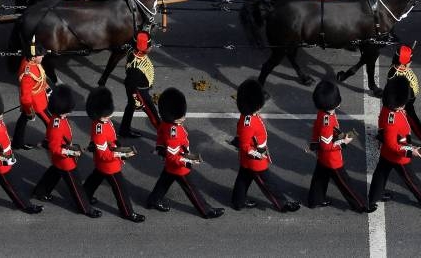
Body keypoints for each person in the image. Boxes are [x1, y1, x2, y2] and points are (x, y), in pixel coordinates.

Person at [146, 87, 224, 218]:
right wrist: (189, 160)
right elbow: (173, 156)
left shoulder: (166, 123)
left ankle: (152, 201)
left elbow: (160, 137)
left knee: (164, 182)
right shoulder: (174, 133)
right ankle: (205, 210)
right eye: (180, 116)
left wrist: (160, 148)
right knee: (191, 189)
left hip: (171, 166)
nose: (183, 117)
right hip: (178, 166)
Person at [231, 78, 301, 212]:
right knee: (268, 184)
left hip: (250, 158)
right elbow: (245, 145)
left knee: (243, 179)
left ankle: (238, 202)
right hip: (255, 160)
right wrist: (258, 155)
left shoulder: (249, 116)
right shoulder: (249, 122)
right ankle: (282, 204)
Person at [31, 84, 101, 217]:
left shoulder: (58, 118)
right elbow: (55, 147)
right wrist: (72, 152)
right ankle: (85, 207)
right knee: (76, 185)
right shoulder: (57, 124)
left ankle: (41, 192)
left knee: (54, 172)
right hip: (65, 160)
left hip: (61, 158)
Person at [83, 85, 145, 222]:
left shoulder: (103, 121)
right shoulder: (99, 129)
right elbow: (104, 155)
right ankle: (127, 212)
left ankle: (85, 195)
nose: (110, 115)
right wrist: (121, 154)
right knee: (120, 189)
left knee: (96, 177)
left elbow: (111, 139)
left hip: (104, 163)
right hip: (109, 165)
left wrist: (117, 146)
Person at [307, 80, 367, 212]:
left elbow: (324, 136)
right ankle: (360, 204)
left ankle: (315, 200)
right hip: (331, 158)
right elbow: (327, 145)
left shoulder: (323, 113)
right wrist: (343, 142)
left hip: (323, 156)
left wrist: (340, 136)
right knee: (345, 182)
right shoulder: (327, 121)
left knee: (320, 177)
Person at [368, 76, 421, 210]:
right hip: (397, 155)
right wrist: (410, 150)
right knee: (411, 180)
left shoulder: (388, 109)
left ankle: (374, 197)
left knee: (381, 174)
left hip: (387, 152)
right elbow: (393, 144)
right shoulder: (392, 119)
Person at [119, 31, 159, 138]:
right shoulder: (136, 67)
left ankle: (124, 130)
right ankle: (163, 134)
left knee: (130, 107)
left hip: (138, 86)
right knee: (152, 113)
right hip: (140, 91)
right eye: (149, 46)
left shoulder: (133, 51)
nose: (151, 48)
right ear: (143, 48)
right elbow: (130, 84)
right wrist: (138, 100)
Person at [13, 39, 50, 150]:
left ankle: (17, 143)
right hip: (35, 104)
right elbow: (25, 96)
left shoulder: (32, 62)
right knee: (50, 122)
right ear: (33, 58)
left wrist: (47, 88)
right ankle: (50, 142)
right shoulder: (28, 73)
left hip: (40, 97)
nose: (43, 57)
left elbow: (41, 77)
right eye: (41, 56)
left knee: (22, 121)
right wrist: (30, 112)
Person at [385, 45, 421, 139]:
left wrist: (405, 64)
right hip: (405, 103)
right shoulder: (395, 74)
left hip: (407, 100)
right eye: (409, 61)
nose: (411, 62)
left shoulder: (399, 68)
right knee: (413, 122)